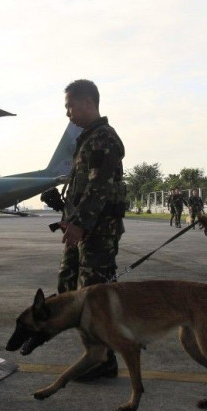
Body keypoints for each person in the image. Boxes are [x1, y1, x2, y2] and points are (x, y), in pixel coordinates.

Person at [57, 79, 127, 379]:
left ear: (88, 102)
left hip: (98, 232)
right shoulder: (89, 139)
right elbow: (85, 187)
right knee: (69, 288)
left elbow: (98, 187)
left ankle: (103, 360)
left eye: (70, 106)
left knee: (93, 297)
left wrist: (80, 225)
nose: (68, 113)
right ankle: (96, 354)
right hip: (84, 228)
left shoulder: (103, 139)